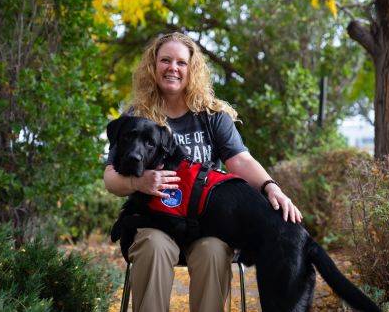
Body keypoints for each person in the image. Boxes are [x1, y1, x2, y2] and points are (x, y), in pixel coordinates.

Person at [104, 32, 303, 312]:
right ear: (153, 66)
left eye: (181, 62)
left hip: (206, 223)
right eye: (165, 60)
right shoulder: (137, 117)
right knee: (152, 246)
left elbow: (241, 162)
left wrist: (271, 186)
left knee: (213, 252)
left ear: (192, 69)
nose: (173, 68)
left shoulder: (212, 115)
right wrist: (139, 182)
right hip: (156, 220)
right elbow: (111, 178)